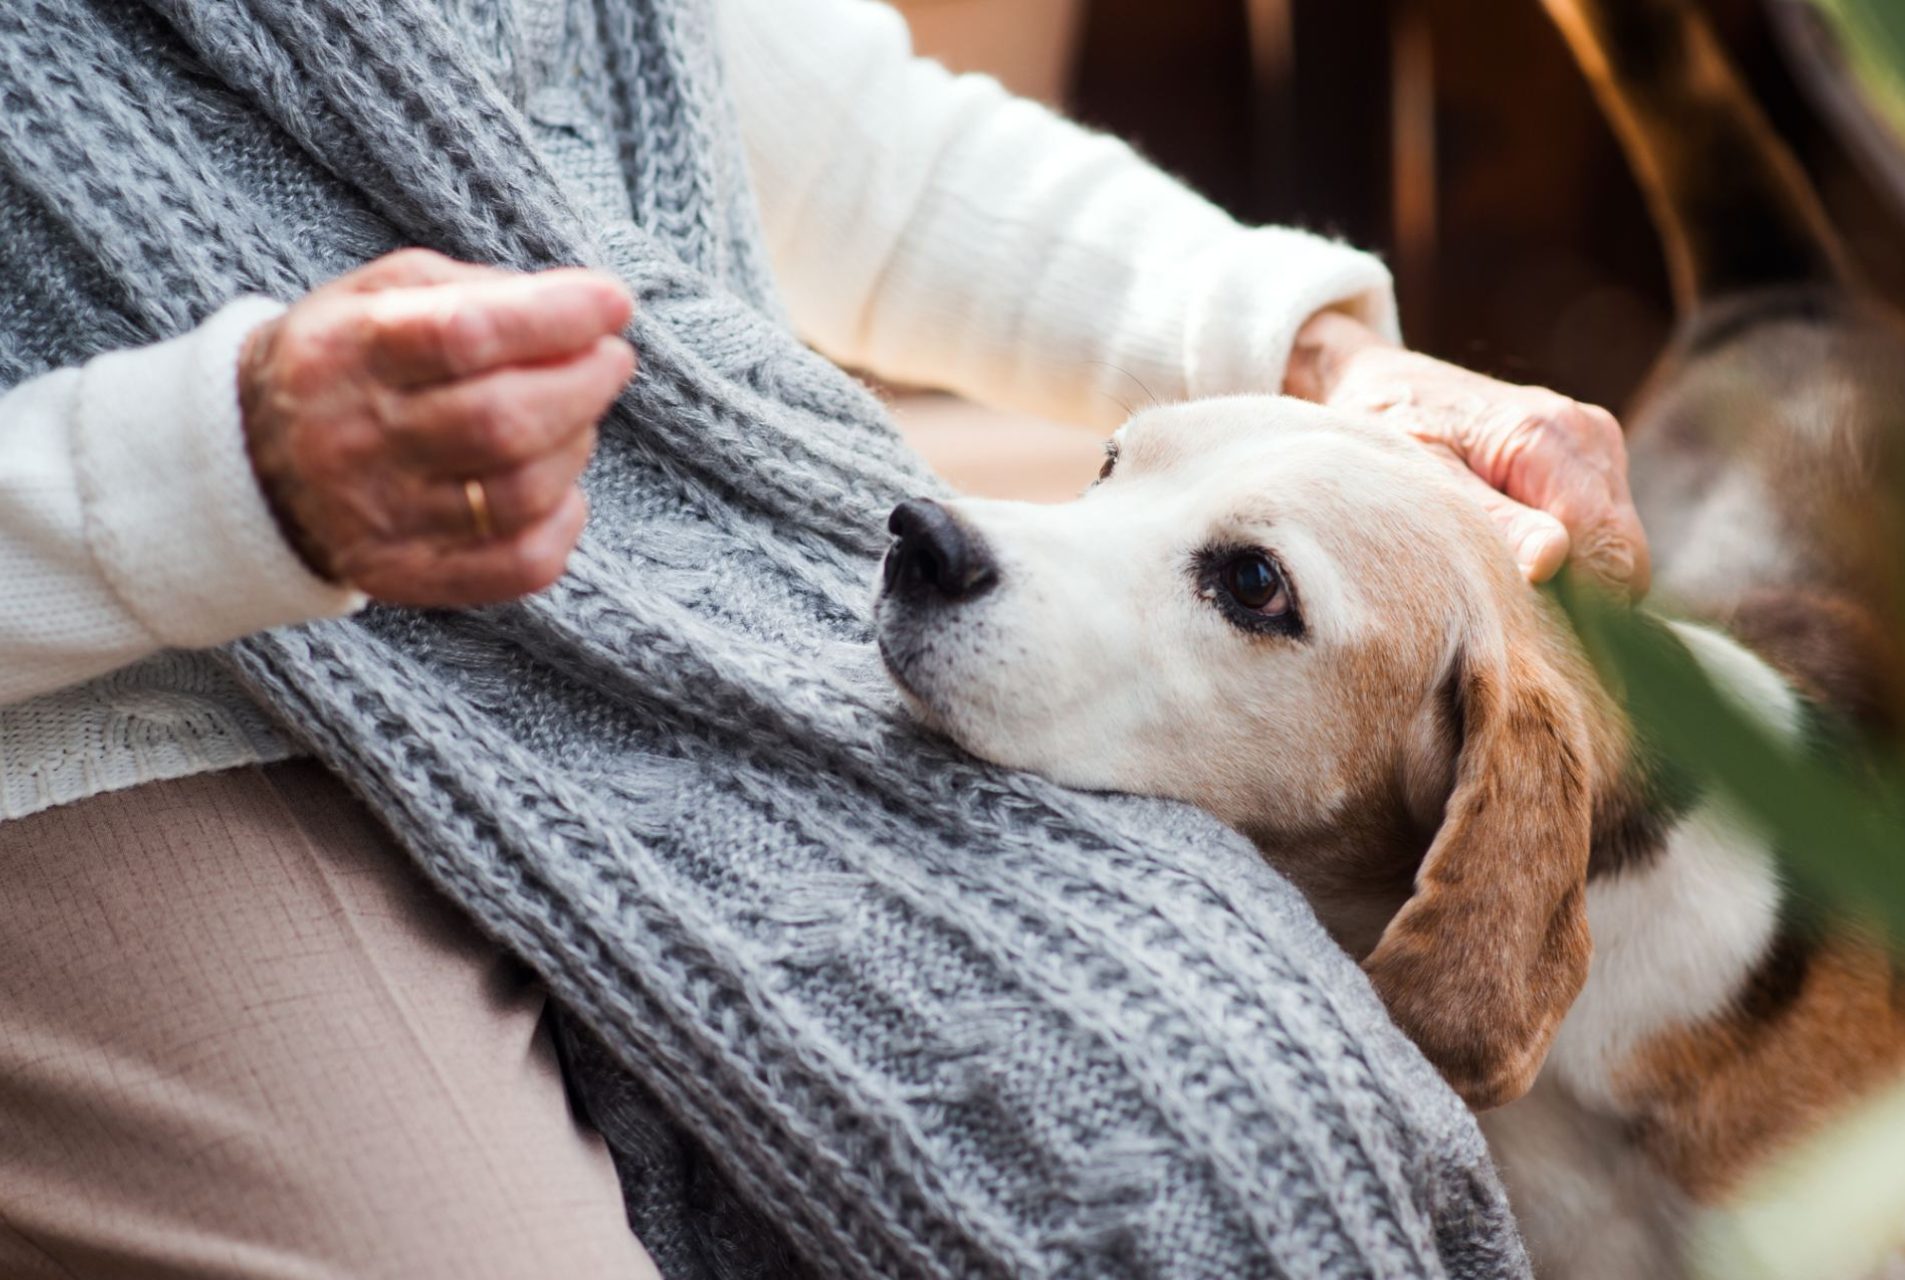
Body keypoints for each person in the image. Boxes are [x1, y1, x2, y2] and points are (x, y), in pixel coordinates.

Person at [0, 0, 1646, 1275]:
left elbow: (851, 148)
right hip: (124, 709)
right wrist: (212, 473)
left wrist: (1317, 367)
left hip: (690, 594)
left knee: (1240, 1129)